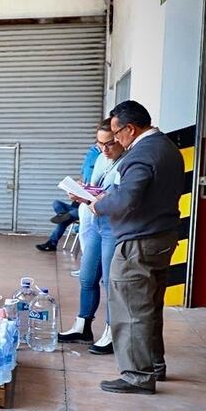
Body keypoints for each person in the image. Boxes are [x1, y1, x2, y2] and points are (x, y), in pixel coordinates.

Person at [91, 100, 185, 394]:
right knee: (149, 306)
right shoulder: (167, 147)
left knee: (130, 308)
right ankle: (154, 365)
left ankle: (137, 375)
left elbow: (128, 197)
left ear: (130, 129)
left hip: (139, 243)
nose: (115, 140)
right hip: (161, 236)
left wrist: (100, 204)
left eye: (117, 133)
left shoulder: (141, 154)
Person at [58, 119, 124, 353]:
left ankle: (112, 330)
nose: (104, 150)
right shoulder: (101, 158)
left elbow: (119, 196)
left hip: (113, 226)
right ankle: (82, 325)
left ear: (122, 138)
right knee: (87, 277)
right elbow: (95, 186)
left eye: (109, 144)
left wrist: (96, 196)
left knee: (109, 281)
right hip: (95, 221)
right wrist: (82, 191)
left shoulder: (127, 161)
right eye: (99, 144)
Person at [35, 142, 101, 252]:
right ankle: (62, 214)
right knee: (57, 203)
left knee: (68, 218)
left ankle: (52, 242)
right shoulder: (92, 152)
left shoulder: (102, 160)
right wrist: (78, 186)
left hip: (88, 206)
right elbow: (82, 175)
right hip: (77, 203)